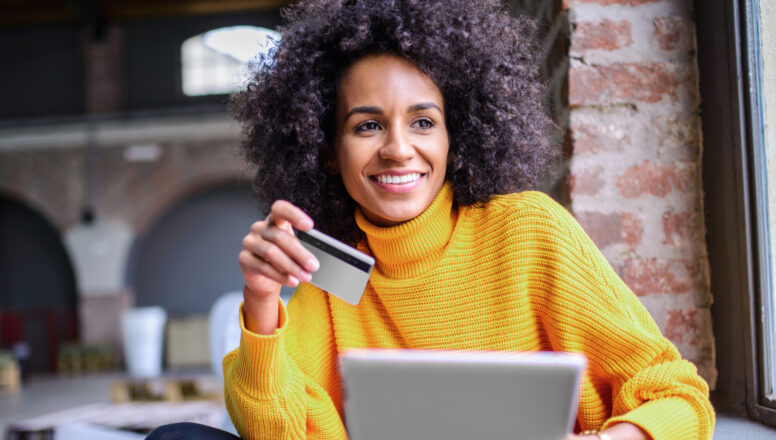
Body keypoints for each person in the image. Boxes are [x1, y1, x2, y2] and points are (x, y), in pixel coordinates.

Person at [146, 0, 715, 439]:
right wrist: (262, 303)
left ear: (454, 134)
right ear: (326, 149)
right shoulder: (329, 268)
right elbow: (278, 432)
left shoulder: (528, 231)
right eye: (367, 126)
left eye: (423, 122)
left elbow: (680, 395)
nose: (398, 150)